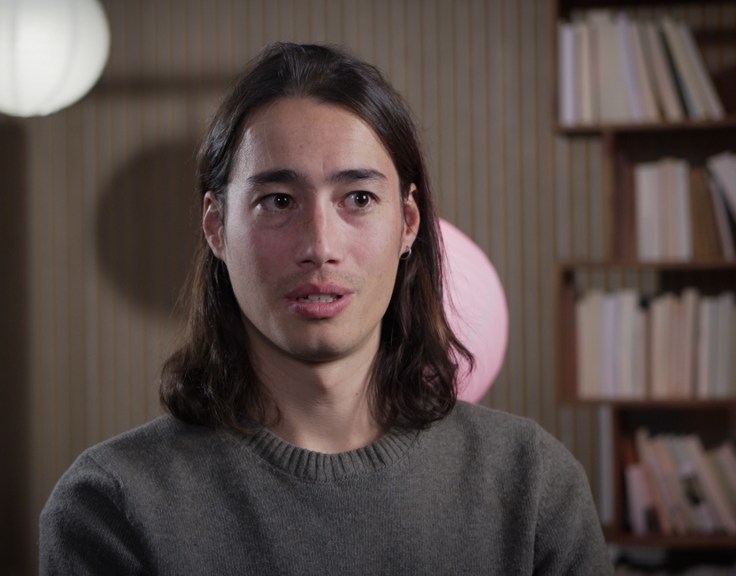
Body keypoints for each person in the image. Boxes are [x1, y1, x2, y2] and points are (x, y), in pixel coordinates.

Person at [40, 42, 612, 575]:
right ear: (216, 226)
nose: (320, 246)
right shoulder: (112, 503)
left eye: (358, 199)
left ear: (408, 222)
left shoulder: (533, 485)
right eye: (278, 201)